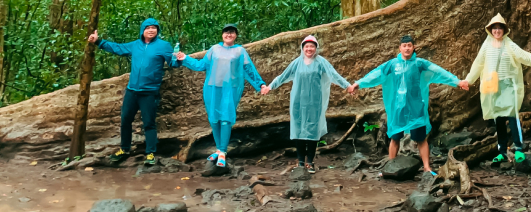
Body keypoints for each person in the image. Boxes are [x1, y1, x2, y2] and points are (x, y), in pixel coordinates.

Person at [347, 35, 469, 175]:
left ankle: (427, 167)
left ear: (413, 48)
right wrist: (358, 84)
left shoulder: (420, 64)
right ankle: (391, 167)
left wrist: (457, 82)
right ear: (400, 48)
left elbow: (438, 71)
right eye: (404, 46)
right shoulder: (392, 65)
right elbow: (375, 74)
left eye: (409, 45)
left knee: (421, 139)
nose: (407, 48)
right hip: (398, 109)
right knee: (395, 138)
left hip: (416, 108)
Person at [465, 14, 531, 163]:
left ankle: (519, 148)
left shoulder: (509, 44)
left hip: (508, 85)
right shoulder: (486, 45)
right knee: (499, 119)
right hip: (493, 87)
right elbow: (478, 64)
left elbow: (524, 56)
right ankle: (502, 151)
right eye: (494, 28)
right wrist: (468, 81)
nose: (496, 31)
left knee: (512, 116)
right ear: (490, 30)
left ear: (504, 30)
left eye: (499, 28)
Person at [175, 24, 268, 168]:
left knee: (226, 119)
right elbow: (200, 65)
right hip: (212, 88)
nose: (229, 34)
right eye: (226, 32)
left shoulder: (240, 51)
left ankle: (223, 152)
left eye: (232, 32)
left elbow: (249, 69)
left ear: (236, 35)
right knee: (214, 120)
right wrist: (185, 58)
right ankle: (218, 149)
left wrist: (260, 84)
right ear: (222, 35)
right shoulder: (214, 49)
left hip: (230, 89)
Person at [87, 18, 176, 166]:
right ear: (143, 30)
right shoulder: (136, 45)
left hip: (149, 92)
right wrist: (98, 41)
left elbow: (172, 63)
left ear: (158, 31)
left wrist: (179, 59)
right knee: (125, 120)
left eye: (154, 28)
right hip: (132, 90)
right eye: (148, 28)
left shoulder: (163, 46)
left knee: (149, 123)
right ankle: (124, 149)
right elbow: (118, 48)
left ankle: (150, 153)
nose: (151, 30)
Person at [263, 35, 350, 174]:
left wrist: (347, 86)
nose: (309, 49)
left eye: (312, 46)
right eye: (306, 46)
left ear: (316, 48)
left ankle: (310, 162)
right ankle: (301, 162)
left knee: (312, 132)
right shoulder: (297, 63)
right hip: (298, 102)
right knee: (298, 130)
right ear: (302, 48)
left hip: (314, 103)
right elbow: (283, 76)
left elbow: (334, 75)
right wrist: (270, 87)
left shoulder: (321, 62)